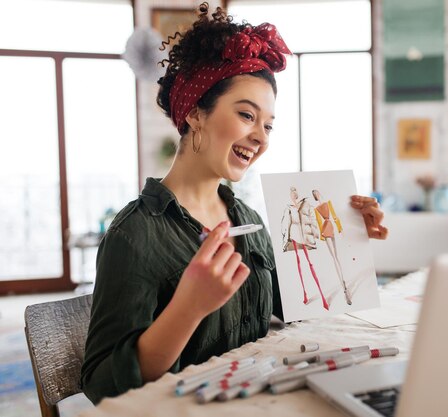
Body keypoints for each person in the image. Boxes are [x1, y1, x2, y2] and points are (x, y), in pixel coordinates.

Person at [80, 3, 388, 404]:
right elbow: (102, 385)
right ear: (195, 113)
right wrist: (188, 307)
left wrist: (349, 244)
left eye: (269, 125)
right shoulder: (135, 235)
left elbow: (305, 309)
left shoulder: (250, 220)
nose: (261, 137)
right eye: (247, 115)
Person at [281, 186, 328, 310]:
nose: (293, 195)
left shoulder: (306, 204)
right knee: (299, 264)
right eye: (292, 193)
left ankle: (323, 297)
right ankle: (305, 294)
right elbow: (285, 224)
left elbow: (312, 220)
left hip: (305, 237)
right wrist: (285, 239)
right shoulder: (289, 208)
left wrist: (317, 235)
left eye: (295, 193)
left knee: (310, 263)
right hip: (294, 237)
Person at [311, 189, 351, 305]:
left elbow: (335, 217)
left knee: (337, 256)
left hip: (332, 227)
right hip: (325, 229)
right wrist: (321, 236)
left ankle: (344, 285)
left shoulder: (328, 203)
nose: (317, 195)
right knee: (334, 257)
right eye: (315, 194)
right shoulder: (316, 208)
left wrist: (340, 229)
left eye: (317, 192)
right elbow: (319, 222)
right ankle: (344, 288)